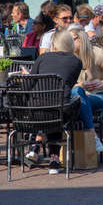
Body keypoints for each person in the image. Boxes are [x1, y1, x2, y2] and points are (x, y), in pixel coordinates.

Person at [24, 30, 82, 175]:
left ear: (53, 45)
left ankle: (36, 142)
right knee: (60, 105)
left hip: (35, 113)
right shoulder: (76, 61)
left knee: (47, 107)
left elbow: (28, 86)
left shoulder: (43, 57)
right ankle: (54, 159)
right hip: (59, 112)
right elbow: (68, 84)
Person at [68, 24, 103, 152]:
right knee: (77, 93)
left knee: (76, 100)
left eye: (71, 39)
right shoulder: (68, 57)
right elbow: (64, 83)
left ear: (80, 38)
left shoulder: (97, 54)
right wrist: (80, 85)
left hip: (98, 96)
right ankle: (93, 137)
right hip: (76, 97)